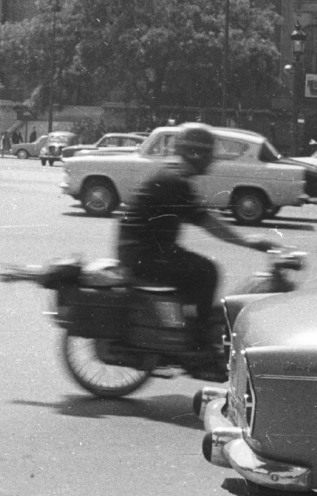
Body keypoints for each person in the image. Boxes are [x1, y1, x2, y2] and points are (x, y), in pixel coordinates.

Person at [115, 123, 274, 379]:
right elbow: (208, 223)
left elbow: (203, 218)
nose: (211, 161)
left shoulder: (174, 176)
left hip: (143, 249)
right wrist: (249, 241)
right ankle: (196, 349)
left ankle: (188, 332)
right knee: (205, 272)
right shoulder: (175, 181)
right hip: (143, 254)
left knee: (196, 269)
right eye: (208, 154)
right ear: (196, 154)